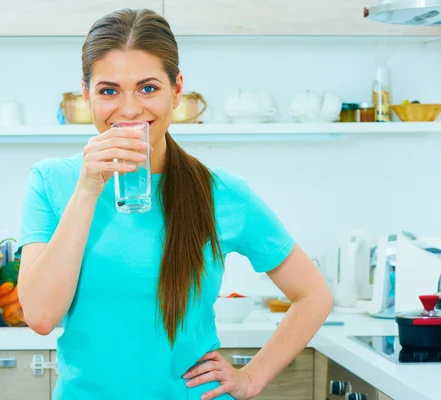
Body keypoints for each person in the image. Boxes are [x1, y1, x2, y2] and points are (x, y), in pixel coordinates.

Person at [16, 8, 333, 400]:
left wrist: (251, 377)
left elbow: (314, 295)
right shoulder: (52, 182)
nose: (130, 109)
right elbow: (41, 317)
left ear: (177, 90)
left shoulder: (221, 193)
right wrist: (86, 190)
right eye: (109, 90)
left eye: (148, 88)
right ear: (86, 95)